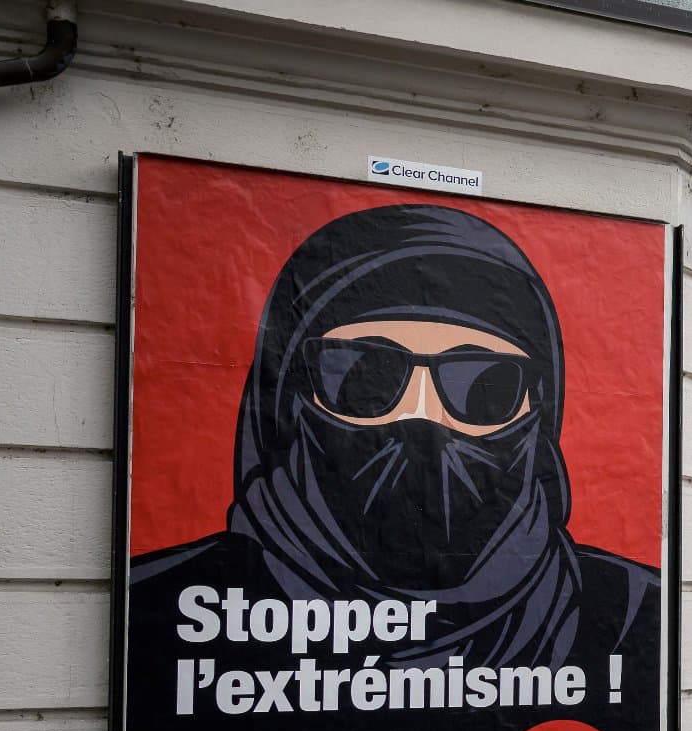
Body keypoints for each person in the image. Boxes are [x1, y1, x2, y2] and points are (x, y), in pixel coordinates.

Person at [129, 203, 658, 670]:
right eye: (364, 375)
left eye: (481, 387)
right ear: (287, 399)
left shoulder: (633, 615)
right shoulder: (159, 608)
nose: (422, 417)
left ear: (538, 410)